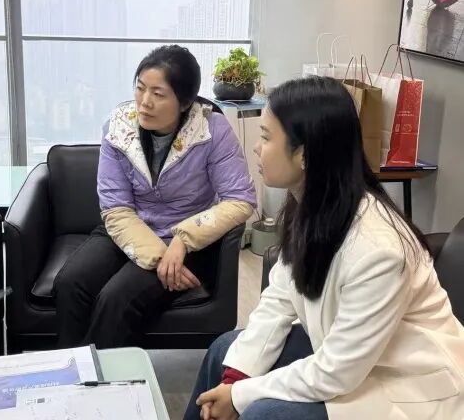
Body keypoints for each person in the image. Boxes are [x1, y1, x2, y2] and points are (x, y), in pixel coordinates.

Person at [185, 76, 464, 420]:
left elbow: (337, 372)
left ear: (304, 154)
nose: (256, 148)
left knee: (265, 414)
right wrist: (234, 381)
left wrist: (240, 396)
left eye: (266, 137)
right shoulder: (312, 207)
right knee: (224, 351)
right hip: (355, 356)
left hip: (407, 384)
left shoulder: (379, 251)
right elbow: (280, 298)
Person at [54, 45, 256, 348]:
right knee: (70, 283)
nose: (145, 102)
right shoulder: (118, 127)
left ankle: (99, 375)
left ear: (185, 101)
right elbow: (116, 208)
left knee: (117, 298)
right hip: (126, 228)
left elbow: (240, 199)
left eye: (158, 94)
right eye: (140, 88)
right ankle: (71, 369)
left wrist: (182, 240)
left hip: (189, 239)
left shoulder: (212, 129)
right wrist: (160, 258)